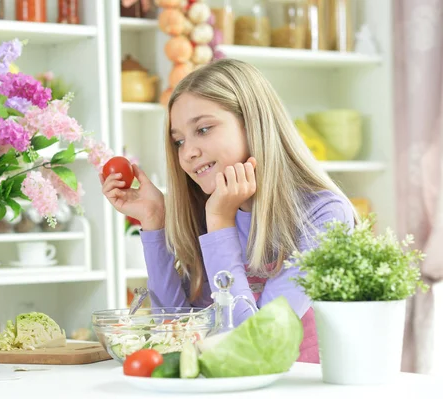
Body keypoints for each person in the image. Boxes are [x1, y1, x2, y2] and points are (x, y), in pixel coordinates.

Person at [100, 58, 357, 363]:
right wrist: (155, 223)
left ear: (252, 123)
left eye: (204, 129)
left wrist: (220, 223)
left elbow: (256, 344)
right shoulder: (208, 209)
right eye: (179, 141)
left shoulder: (324, 214)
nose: (189, 152)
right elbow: (176, 334)